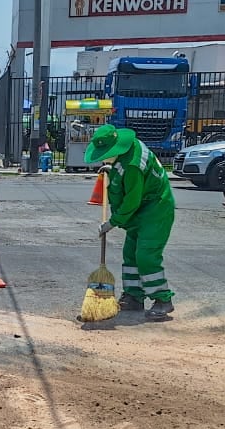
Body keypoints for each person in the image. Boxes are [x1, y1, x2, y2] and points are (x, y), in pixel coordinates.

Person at [86, 124, 177, 322]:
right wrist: (114, 168)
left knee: (146, 255)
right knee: (130, 254)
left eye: (106, 154)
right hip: (141, 210)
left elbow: (131, 200)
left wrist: (113, 222)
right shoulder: (128, 151)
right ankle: (134, 296)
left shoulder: (133, 166)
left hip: (156, 209)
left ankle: (162, 299)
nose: (103, 157)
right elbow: (125, 178)